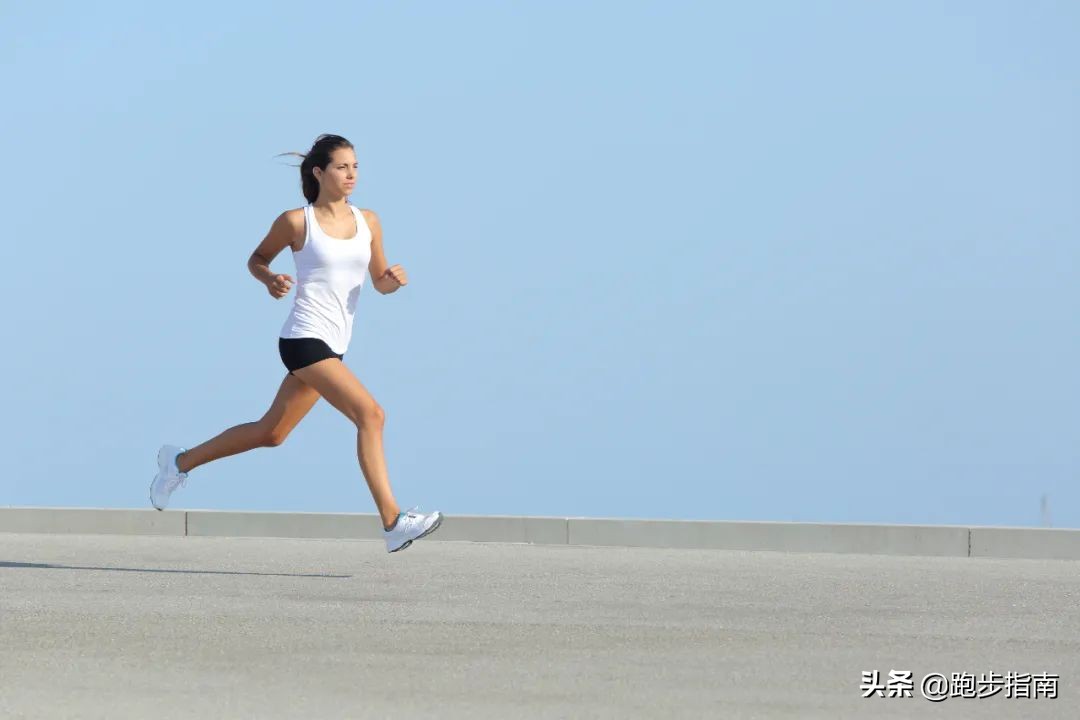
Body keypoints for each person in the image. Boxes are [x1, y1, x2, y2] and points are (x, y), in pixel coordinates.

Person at [149, 133, 442, 553]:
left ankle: (178, 462)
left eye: (355, 166)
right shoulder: (296, 221)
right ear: (319, 172)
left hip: (334, 346)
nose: (351, 174)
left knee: (271, 433)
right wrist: (271, 279)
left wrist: (392, 282)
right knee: (371, 415)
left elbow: (378, 282)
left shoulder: (369, 221)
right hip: (303, 339)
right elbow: (257, 259)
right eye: (342, 167)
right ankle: (393, 522)